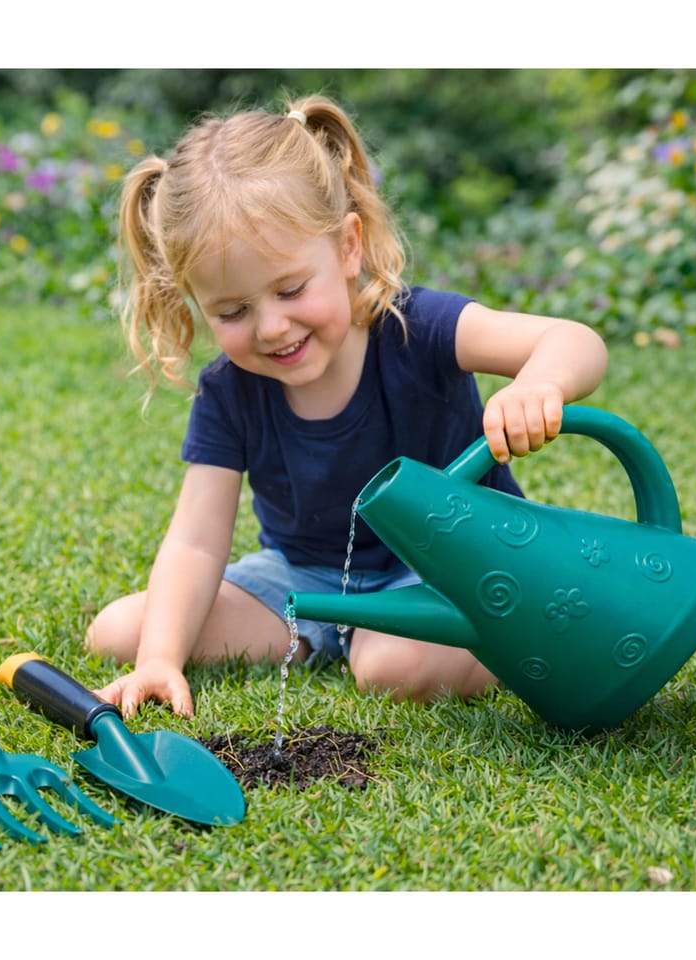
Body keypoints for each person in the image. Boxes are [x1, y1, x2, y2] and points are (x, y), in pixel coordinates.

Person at [86, 94, 609, 718]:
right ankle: (331, 634)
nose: (272, 327)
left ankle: (499, 625)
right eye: (232, 311)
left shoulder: (420, 328)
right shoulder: (229, 389)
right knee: (121, 630)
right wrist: (159, 659)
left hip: (446, 570)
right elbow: (197, 542)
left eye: (290, 289)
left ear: (347, 247)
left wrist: (538, 384)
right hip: (303, 584)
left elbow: (574, 340)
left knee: (392, 668)